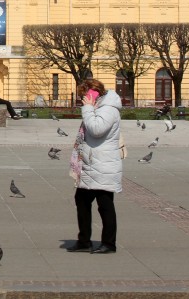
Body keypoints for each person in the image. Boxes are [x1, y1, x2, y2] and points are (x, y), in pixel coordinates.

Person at [66, 78, 123, 255]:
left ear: (93, 93)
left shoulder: (108, 109)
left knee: (105, 204)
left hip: (103, 164)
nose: (83, 99)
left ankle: (109, 244)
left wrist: (88, 108)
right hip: (92, 163)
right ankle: (84, 240)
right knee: (81, 200)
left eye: (85, 94)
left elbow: (96, 129)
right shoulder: (100, 108)